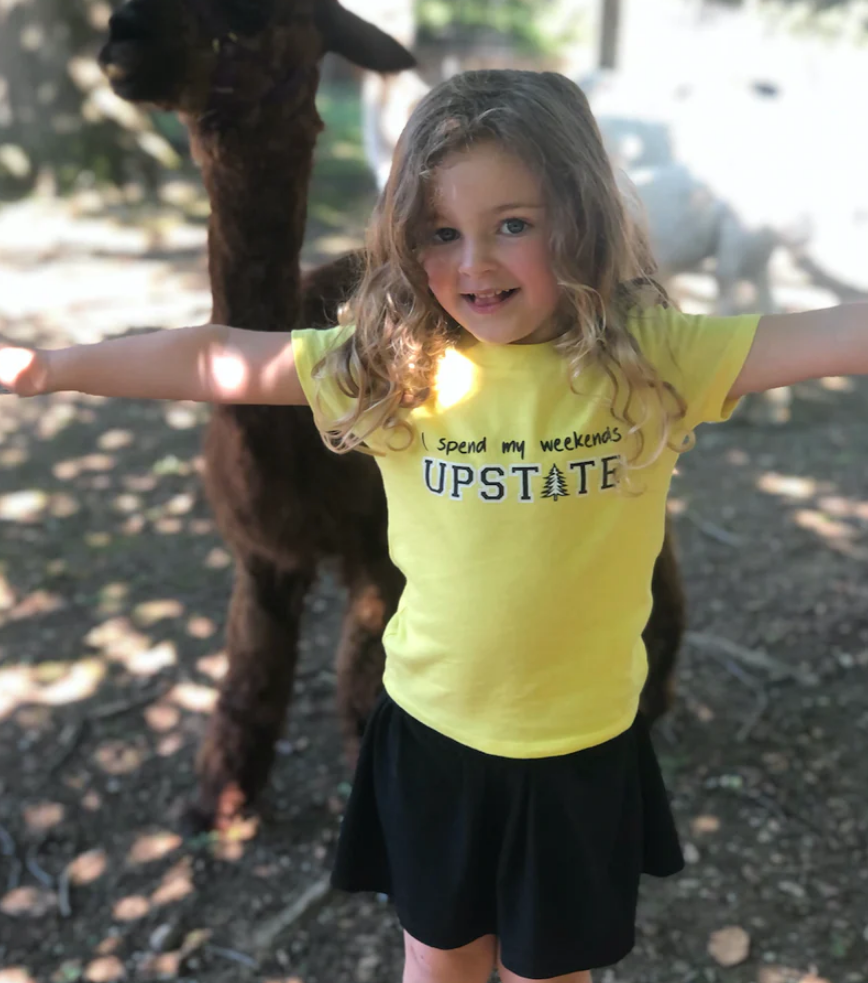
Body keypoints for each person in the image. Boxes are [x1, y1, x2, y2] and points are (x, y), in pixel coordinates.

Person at [1, 69, 865, 983]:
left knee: (550, 973)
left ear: (582, 216)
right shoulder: (393, 367)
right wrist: (51, 367)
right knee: (438, 963)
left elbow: (833, 334)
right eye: (442, 233)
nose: (475, 265)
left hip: (580, 753)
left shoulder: (656, 361)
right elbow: (216, 356)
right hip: (432, 742)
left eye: (514, 225)